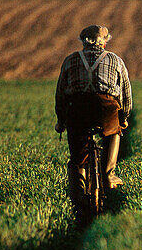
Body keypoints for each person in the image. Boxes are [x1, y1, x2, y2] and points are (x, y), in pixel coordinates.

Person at [55, 25, 132, 194]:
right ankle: (108, 175)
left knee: (78, 156)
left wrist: (61, 120)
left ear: (83, 42)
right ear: (104, 43)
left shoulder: (70, 60)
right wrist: (124, 117)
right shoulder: (115, 60)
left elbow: (60, 93)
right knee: (114, 132)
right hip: (106, 109)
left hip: (78, 110)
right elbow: (126, 94)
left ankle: (78, 185)